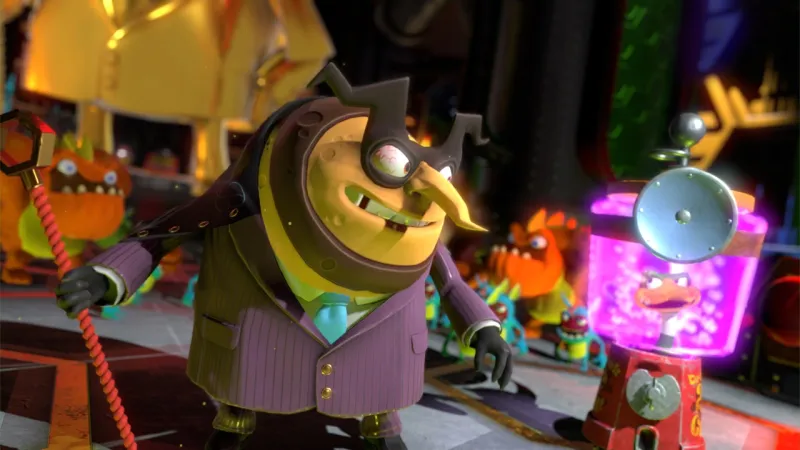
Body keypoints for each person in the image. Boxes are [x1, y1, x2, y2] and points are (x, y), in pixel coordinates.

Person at [55, 63, 513, 450]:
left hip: (382, 359)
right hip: (255, 345)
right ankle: (236, 416)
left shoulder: (417, 226)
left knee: (376, 392)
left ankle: (380, 419)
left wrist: (485, 329)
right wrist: (108, 276)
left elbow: (451, 283)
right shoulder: (243, 199)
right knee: (245, 391)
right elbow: (165, 233)